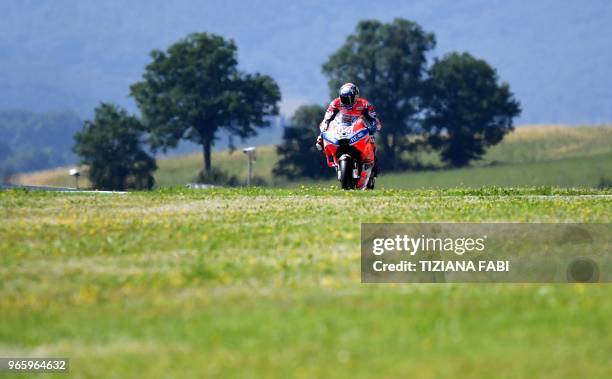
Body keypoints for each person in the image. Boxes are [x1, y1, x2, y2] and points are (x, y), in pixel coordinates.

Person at [316, 83, 382, 175]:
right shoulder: (335, 103)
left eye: (350, 98)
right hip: (342, 128)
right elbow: (327, 118)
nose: (347, 101)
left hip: (359, 128)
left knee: (371, 140)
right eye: (344, 98)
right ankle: (329, 153)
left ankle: (374, 165)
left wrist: (373, 127)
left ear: (356, 96)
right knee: (323, 133)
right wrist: (323, 131)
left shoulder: (365, 104)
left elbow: (374, 118)